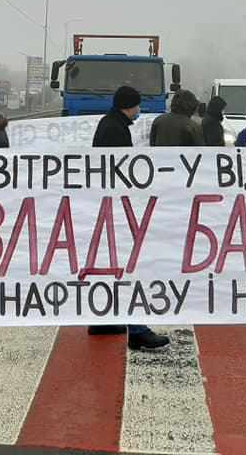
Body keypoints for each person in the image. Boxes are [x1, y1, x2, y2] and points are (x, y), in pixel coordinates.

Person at [90, 86, 170, 351]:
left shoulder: (109, 124)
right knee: (130, 267)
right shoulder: (116, 129)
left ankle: (103, 320)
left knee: (112, 264)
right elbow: (120, 169)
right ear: (129, 105)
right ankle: (137, 330)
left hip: (108, 206)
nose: (140, 110)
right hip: (116, 207)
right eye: (137, 105)